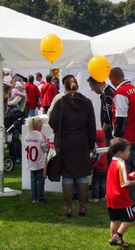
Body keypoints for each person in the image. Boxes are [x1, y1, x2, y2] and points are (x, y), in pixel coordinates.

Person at [49, 76, 96, 216]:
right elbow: (91, 126)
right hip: (82, 143)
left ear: (65, 87)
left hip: (65, 143)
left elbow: (52, 122)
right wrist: (91, 144)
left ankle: (68, 208)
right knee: (82, 175)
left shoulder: (60, 103)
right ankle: (82, 207)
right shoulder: (87, 103)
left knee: (68, 176)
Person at [109, 67, 135, 214]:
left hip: (126, 139)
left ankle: (131, 205)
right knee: (133, 171)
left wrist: (116, 139)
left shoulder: (121, 93)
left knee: (126, 174)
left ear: (115, 79)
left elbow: (121, 119)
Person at [106, 137, 135, 248]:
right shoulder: (121, 164)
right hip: (120, 197)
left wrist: (130, 176)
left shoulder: (113, 162)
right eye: (127, 151)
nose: (129, 153)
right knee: (131, 217)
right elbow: (124, 183)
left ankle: (114, 239)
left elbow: (118, 178)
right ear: (120, 153)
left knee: (115, 220)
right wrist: (134, 182)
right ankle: (118, 236)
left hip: (111, 196)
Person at [24, 117, 48, 203]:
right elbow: (45, 149)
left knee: (33, 179)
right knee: (40, 180)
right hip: (39, 162)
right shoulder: (41, 136)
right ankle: (40, 197)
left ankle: (33, 197)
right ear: (39, 126)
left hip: (31, 161)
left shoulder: (27, 135)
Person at [88, 76, 115, 144]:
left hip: (110, 133)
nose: (92, 90)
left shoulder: (107, 94)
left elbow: (108, 118)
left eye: (92, 87)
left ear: (98, 84)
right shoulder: (107, 92)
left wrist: (102, 133)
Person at [90, 130, 108, 203]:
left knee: (96, 183)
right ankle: (102, 196)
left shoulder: (97, 150)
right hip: (104, 169)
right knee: (103, 183)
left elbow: (95, 160)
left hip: (98, 170)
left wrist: (92, 166)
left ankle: (95, 197)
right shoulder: (105, 148)